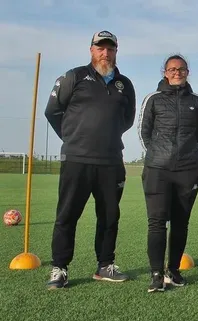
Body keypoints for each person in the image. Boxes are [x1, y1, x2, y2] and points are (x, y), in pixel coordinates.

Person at [44, 30, 135, 289]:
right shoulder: (74, 77)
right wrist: (73, 138)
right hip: (77, 160)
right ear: (91, 49)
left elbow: (126, 119)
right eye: (100, 48)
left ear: (116, 51)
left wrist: (106, 136)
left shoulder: (124, 84)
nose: (105, 53)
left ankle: (105, 265)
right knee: (67, 215)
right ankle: (59, 268)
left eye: (110, 48)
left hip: (111, 161)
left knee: (109, 216)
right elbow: (52, 111)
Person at [138, 54, 198, 292]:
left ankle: (174, 271)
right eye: (172, 69)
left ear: (187, 72)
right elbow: (143, 131)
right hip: (157, 170)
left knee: (181, 223)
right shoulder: (153, 99)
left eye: (181, 69)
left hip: (188, 171)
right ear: (164, 73)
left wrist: (188, 155)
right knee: (156, 222)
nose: (177, 73)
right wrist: (159, 154)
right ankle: (156, 275)